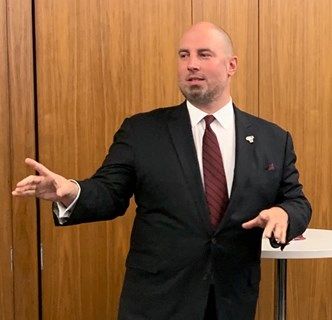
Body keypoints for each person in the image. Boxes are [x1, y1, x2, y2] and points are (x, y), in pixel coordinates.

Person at [12, 22, 311, 320]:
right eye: (184, 55)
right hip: (156, 301)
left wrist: (285, 214)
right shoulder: (142, 131)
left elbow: (297, 201)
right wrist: (71, 192)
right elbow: (109, 193)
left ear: (231, 65)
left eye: (203, 55)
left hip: (231, 301)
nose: (191, 64)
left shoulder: (273, 138)